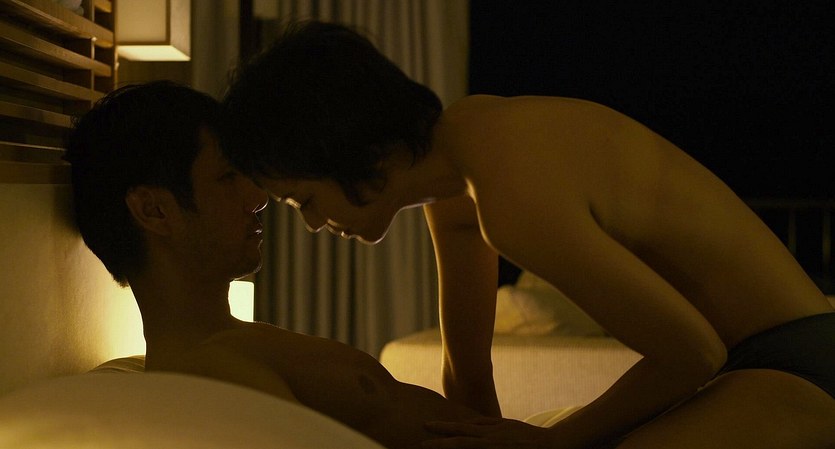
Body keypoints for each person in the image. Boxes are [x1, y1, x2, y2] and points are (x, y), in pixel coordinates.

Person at [221, 20, 835, 448]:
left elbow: (692, 353)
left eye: (305, 200)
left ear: (348, 151)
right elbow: (467, 375)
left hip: (800, 363)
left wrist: (551, 442)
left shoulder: (506, 190)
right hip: (746, 366)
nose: (313, 223)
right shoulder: (458, 171)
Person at [64, 80, 480, 449]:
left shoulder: (234, 344)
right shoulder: (208, 373)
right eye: (227, 178)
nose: (258, 198)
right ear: (154, 211)